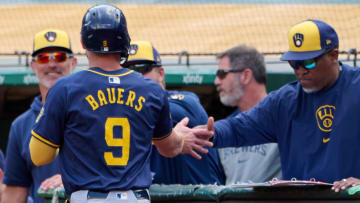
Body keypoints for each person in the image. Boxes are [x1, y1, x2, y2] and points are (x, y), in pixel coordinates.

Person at [28, 4, 212, 202]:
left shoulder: (65, 88)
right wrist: (179, 138)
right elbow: (169, 149)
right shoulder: (152, 89)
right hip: (136, 198)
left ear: (83, 42)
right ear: (125, 41)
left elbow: (39, 156)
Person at [195, 19, 360, 192]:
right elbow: (239, 127)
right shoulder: (285, 101)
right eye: (294, 63)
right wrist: (212, 133)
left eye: (309, 62)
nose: (300, 70)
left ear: (334, 55)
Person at [124, 40, 225, 185]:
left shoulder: (185, 103)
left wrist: (173, 140)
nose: (136, 76)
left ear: (161, 73)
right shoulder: (127, 112)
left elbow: (156, 111)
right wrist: (173, 139)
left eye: (142, 69)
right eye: (128, 70)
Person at [2, 29, 77, 203]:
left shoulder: (92, 112)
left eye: (59, 57)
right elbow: (15, 191)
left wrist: (69, 178)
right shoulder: (20, 125)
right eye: (43, 58)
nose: (52, 65)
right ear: (33, 65)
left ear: (73, 63)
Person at [214, 44, 281, 184]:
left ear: (245, 76)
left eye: (222, 74)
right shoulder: (226, 127)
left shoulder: (282, 119)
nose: (216, 81)